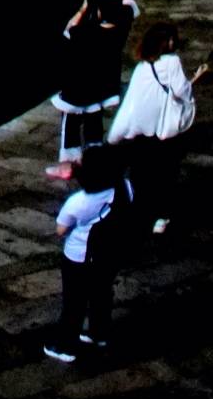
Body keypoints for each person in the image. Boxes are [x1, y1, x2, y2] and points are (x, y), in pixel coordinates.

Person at [41, 139, 140, 361]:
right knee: (102, 292)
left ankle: (65, 346)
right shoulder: (125, 186)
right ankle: (99, 333)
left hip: (79, 256)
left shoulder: (78, 202)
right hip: (110, 251)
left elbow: (60, 229)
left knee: (74, 302)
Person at [108, 12, 202, 233]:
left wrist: (116, 134)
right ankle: (160, 218)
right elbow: (180, 90)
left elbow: (132, 101)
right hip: (163, 132)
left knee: (142, 173)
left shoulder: (142, 68)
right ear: (167, 42)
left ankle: (140, 213)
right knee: (165, 174)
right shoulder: (172, 62)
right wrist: (195, 80)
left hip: (140, 131)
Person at [54, 0, 137, 152]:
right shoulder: (121, 29)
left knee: (71, 125)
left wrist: (84, 8)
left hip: (78, 90)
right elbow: (129, 1)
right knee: (94, 123)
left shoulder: (85, 32)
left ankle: (69, 162)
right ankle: (95, 157)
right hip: (101, 87)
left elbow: (69, 28)